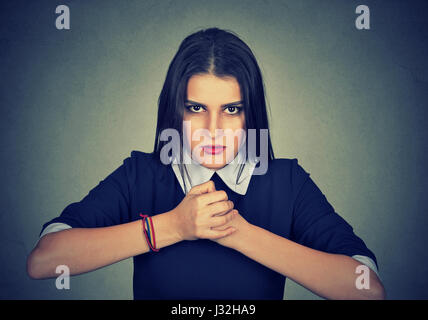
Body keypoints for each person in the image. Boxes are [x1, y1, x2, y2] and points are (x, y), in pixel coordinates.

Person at [26, 27, 386, 300]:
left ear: (251, 113)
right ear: (175, 110)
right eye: (196, 108)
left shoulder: (286, 182)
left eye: (231, 109)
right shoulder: (141, 175)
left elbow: (367, 289)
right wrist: (172, 226)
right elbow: (44, 261)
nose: (213, 130)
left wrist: (238, 232)